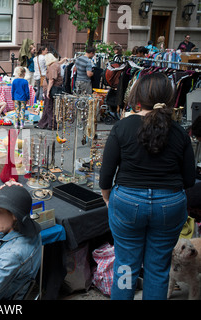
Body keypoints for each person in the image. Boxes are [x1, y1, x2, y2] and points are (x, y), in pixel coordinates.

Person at [99, 73, 196, 300]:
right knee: (158, 268)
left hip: (127, 203)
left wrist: (107, 198)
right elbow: (189, 180)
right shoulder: (179, 132)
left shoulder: (122, 127)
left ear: (138, 97)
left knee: (125, 265)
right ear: (169, 98)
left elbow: (106, 176)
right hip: (169, 205)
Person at [36, 54, 68, 130]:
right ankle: (43, 124)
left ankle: (52, 124)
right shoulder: (56, 64)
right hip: (54, 87)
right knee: (48, 106)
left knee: (48, 106)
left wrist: (48, 91)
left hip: (52, 88)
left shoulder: (52, 66)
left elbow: (51, 80)